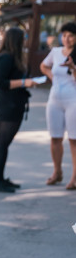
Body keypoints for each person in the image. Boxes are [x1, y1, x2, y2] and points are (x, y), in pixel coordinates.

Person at [0, 27, 36, 193]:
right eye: (23, 38)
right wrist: (24, 83)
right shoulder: (6, 58)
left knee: (4, 144)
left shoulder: (12, 57)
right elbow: (1, 82)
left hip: (14, 104)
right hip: (8, 105)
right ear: (16, 40)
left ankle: (0, 179)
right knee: (2, 144)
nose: (25, 41)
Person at [40, 22, 76, 189]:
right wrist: (52, 77)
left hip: (73, 100)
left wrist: (73, 68)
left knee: (73, 139)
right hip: (54, 99)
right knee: (55, 137)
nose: (66, 39)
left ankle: (74, 177)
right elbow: (43, 66)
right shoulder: (55, 52)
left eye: (70, 35)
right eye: (64, 35)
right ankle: (57, 172)